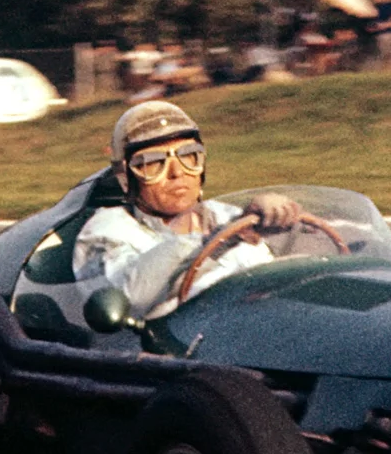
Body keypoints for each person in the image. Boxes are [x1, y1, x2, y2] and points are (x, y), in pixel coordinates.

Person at [74, 101, 299, 318]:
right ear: (125, 177)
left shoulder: (227, 216)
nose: (177, 173)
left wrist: (282, 216)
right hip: (172, 351)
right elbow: (131, 296)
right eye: (152, 163)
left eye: (188, 156)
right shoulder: (107, 230)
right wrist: (221, 239)